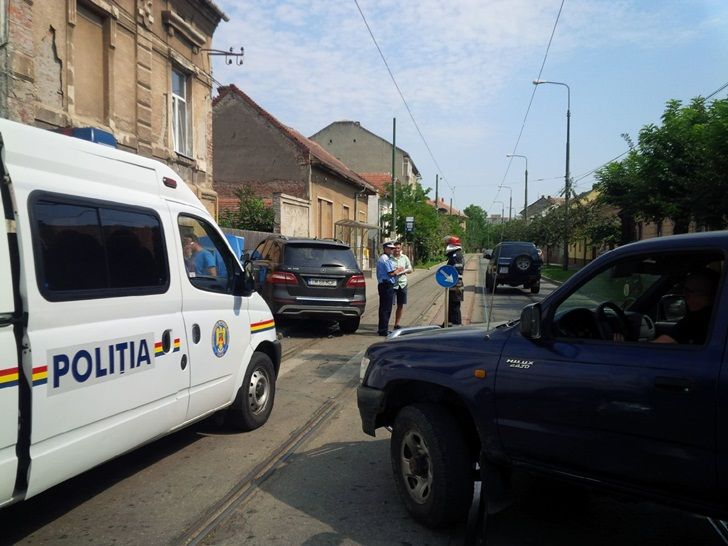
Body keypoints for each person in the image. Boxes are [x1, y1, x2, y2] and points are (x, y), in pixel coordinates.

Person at [654, 269, 719, 344]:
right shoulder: (718, 316)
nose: (684, 294)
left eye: (686, 290)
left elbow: (662, 343)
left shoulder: (695, 320)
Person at [376, 241, 403, 336]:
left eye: (393, 248)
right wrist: (398, 270)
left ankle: (382, 328)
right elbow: (391, 273)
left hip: (384, 285)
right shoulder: (385, 259)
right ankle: (383, 330)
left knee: (384, 307)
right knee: (386, 308)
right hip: (386, 285)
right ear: (385, 249)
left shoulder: (385, 258)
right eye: (391, 248)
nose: (392, 250)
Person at [390, 241, 413, 329]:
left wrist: (404, 271)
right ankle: (385, 323)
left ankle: (396, 324)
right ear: (393, 249)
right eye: (395, 248)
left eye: (398, 248)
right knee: (389, 305)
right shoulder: (389, 258)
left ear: (401, 249)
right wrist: (395, 271)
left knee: (400, 304)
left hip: (402, 284)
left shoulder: (404, 258)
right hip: (392, 284)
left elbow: (410, 269)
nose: (397, 250)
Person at [445, 235, 464, 326]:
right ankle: (449, 322)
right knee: (452, 304)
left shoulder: (456, 255)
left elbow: (455, 270)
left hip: (456, 283)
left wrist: (446, 275)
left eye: (447, 243)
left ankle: (456, 324)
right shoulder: (455, 254)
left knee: (455, 305)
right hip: (454, 283)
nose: (446, 245)